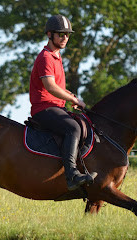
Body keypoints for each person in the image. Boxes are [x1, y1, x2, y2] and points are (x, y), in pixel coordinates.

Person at [29, 14, 97, 191]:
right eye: (61, 34)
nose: (65, 37)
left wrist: (70, 96)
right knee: (73, 128)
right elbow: (50, 87)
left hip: (56, 107)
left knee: (81, 124)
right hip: (43, 109)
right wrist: (72, 98)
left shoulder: (56, 58)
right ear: (50, 34)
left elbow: (58, 88)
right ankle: (72, 175)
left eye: (67, 34)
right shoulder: (45, 57)